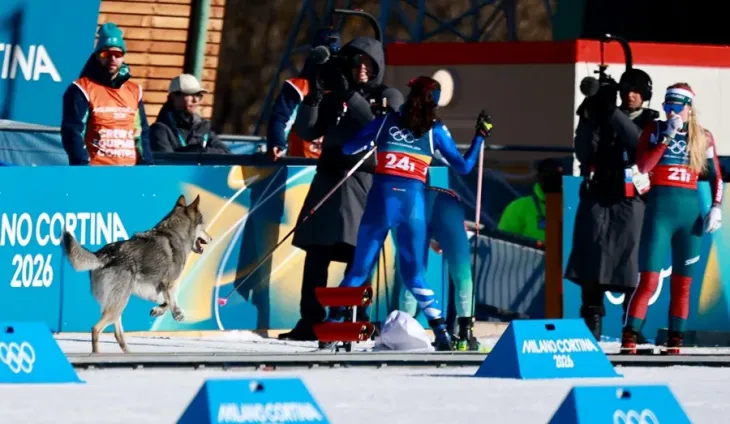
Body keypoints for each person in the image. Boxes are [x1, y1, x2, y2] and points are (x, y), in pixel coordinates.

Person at [323, 76, 492, 351]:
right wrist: (479, 137)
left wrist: (371, 126)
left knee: (358, 271)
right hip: (412, 207)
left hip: (380, 205)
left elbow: (348, 148)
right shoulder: (435, 130)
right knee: (415, 276)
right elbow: (463, 167)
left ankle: (330, 330)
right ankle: (442, 334)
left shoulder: (385, 122)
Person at [278, 35, 405, 341]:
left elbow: (381, 128)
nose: (362, 69)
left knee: (358, 255)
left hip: (362, 183)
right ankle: (311, 320)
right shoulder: (335, 93)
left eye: (369, 64)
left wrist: (352, 97)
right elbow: (308, 131)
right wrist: (313, 96)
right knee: (316, 254)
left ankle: (353, 318)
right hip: (328, 180)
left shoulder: (388, 94)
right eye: (356, 62)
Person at [622, 83, 723, 354]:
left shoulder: (703, 136)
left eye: (676, 107)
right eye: (667, 107)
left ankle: (675, 343)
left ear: (689, 108)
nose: (671, 112)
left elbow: (716, 176)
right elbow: (643, 166)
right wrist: (666, 137)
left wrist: (716, 206)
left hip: (689, 217)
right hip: (660, 214)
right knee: (649, 280)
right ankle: (629, 337)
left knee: (683, 285)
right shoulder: (655, 129)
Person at [564, 68, 660, 341]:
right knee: (590, 261)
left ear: (645, 95)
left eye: (637, 91)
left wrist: (612, 112)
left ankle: (632, 328)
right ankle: (591, 325)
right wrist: (587, 116)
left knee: (631, 264)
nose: (630, 96)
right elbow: (584, 152)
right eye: (626, 90)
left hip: (631, 200)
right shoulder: (603, 116)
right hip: (598, 195)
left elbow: (639, 143)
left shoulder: (652, 122)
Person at [61, 22, 153, 166]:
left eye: (118, 54)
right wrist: (81, 167)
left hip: (129, 173)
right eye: (106, 54)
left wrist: (147, 166)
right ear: (98, 56)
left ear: (123, 57)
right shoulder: (81, 89)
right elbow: (73, 132)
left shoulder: (135, 91)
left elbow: (141, 135)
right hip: (96, 172)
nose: (112, 59)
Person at [266, 28, 341, 161]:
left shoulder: (346, 91)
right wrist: (277, 142)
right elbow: (280, 118)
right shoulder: (298, 87)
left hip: (334, 166)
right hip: (301, 165)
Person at [150, 74, 230, 154]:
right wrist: (196, 153)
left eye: (198, 95)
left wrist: (200, 152)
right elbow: (167, 160)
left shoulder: (202, 128)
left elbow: (226, 154)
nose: (195, 100)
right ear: (173, 96)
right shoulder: (159, 130)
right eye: (190, 94)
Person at [497, 158, 565, 242]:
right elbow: (504, 242)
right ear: (539, 177)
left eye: (557, 177)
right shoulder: (518, 207)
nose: (554, 181)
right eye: (549, 176)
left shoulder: (573, 206)